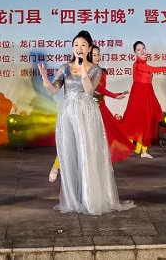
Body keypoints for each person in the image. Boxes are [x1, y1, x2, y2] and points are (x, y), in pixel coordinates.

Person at [39, 30, 135, 215]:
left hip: (87, 113)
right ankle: (74, 198)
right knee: (69, 153)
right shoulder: (64, 68)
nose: (79, 48)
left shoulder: (95, 69)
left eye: (83, 45)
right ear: (72, 48)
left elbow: (89, 90)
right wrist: (44, 78)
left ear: (89, 48)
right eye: (76, 45)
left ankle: (90, 198)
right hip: (68, 112)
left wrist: (83, 68)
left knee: (87, 152)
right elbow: (53, 90)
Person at [48, 44, 134, 182]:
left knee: (101, 139)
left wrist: (114, 95)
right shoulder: (81, 72)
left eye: (98, 54)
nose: (97, 57)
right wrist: (113, 95)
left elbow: (101, 89)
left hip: (99, 109)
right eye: (94, 55)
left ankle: (103, 166)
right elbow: (95, 88)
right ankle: (56, 166)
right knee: (73, 141)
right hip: (83, 110)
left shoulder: (99, 71)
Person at [120, 41, 166, 158]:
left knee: (146, 120)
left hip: (147, 93)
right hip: (139, 95)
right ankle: (131, 147)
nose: (142, 51)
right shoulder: (138, 64)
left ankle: (142, 150)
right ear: (135, 52)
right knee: (138, 120)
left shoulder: (143, 64)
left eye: (143, 48)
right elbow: (154, 69)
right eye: (139, 50)